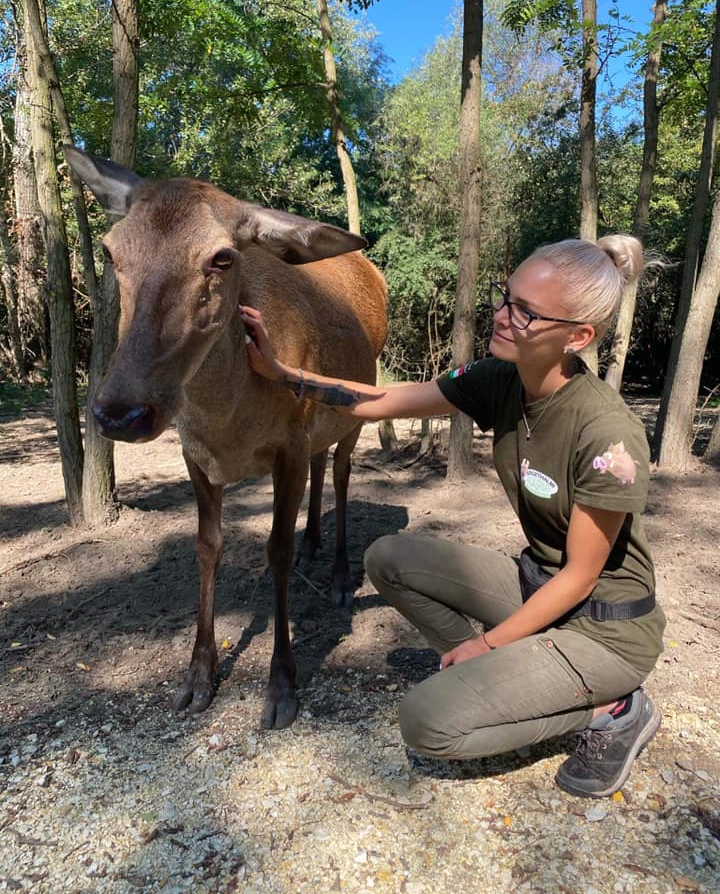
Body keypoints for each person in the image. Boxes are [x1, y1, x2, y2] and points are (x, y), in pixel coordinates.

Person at [239, 234, 665, 798]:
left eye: (526, 312)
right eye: (504, 296)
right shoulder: (501, 380)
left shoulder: (607, 437)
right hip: (539, 589)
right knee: (388, 558)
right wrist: (279, 371)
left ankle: (613, 710)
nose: (502, 316)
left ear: (578, 336)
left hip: (607, 629)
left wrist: (486, 647)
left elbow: (582, 576)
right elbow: (381, 399)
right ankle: (518, 673)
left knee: (429, 724)